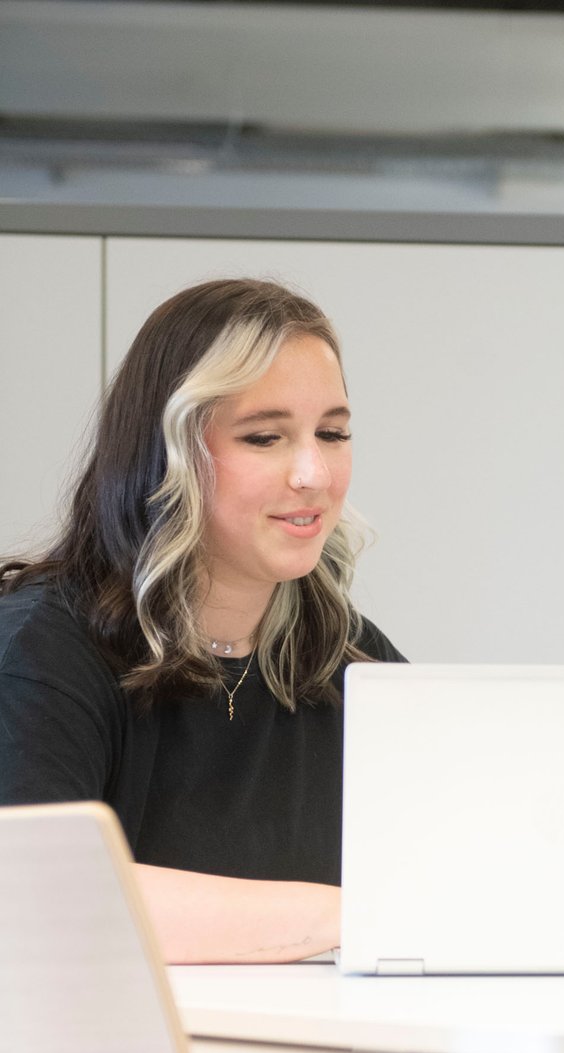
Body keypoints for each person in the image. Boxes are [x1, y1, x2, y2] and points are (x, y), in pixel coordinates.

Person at [0, 278, 403, 964]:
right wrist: (361, 910)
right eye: (265, 437)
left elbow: (459, 876)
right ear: (167, 452)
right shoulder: (43, 651)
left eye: (332, 433)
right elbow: (35, 894)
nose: (313, 472)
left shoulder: (354, 658)